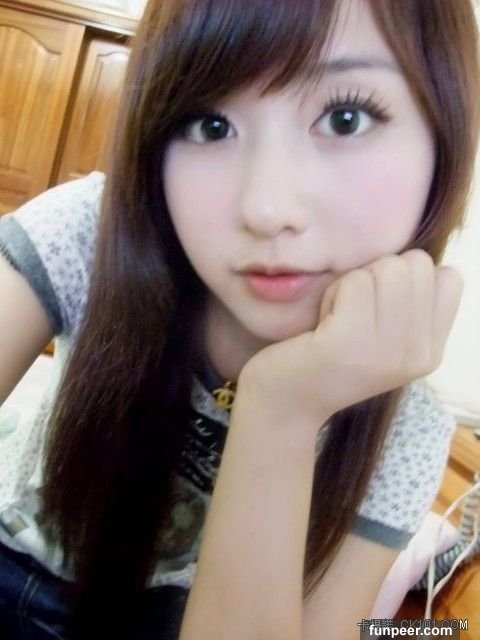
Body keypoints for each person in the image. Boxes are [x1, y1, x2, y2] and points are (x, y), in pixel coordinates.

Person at [0, 0, 479, 638]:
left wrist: (283, 409)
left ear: (442, 138)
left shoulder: (406, 429)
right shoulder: (90, 232)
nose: (266, 209)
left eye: (345, 118)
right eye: (210, 125)